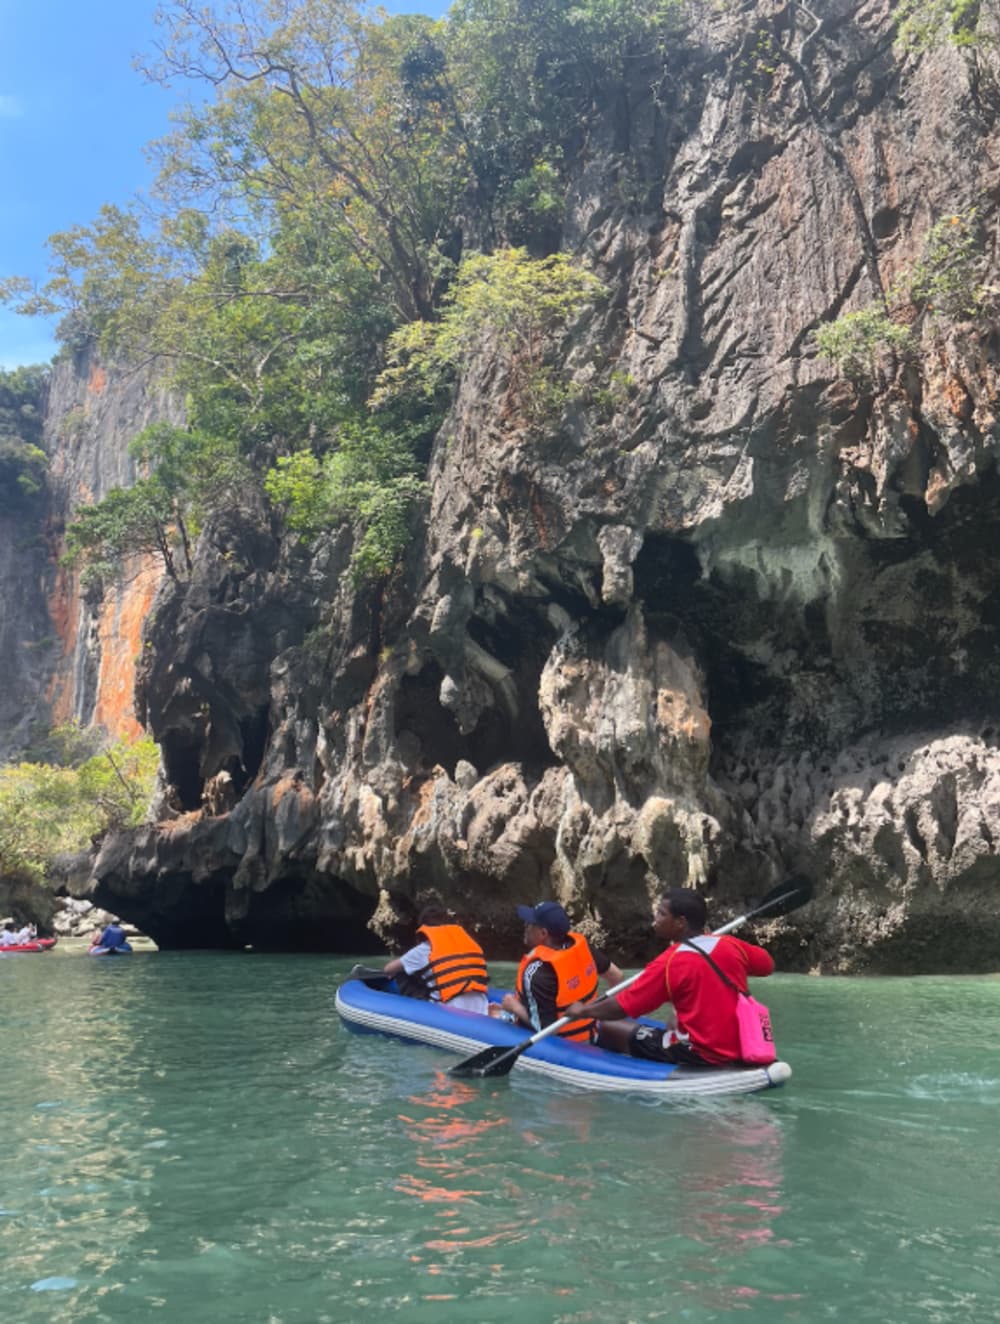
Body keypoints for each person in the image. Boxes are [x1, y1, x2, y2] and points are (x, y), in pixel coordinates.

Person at [564, 887, 775, 1067]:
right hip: (739, 1043)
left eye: (661, 914)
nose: (655, 919)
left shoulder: (669, 963)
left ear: (681, 922)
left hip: (699, 1053)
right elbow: (767, 965)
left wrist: (584, 1010)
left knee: (608, 1028)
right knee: (667, 1024)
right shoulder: (730, 945)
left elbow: (624, 1007)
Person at [501, 901, 624, 1042]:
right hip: (591, 1034)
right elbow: (617, 976)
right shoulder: (583, 950)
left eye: (530, 924)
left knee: (508, 1007)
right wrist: (605, 1013)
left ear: (543, 933)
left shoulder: (537, 973)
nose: (526, 927)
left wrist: (514, 1007)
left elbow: (548, 1029)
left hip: (563, 1045)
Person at [383, 904, 489, 1014]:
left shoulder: (424, 949)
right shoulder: (470, 945)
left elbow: (388, 970)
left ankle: (412, 1010)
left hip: (451, 1011)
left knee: (402, 972)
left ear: (424, 927)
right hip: (481, 1009)